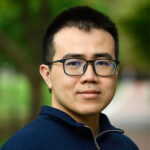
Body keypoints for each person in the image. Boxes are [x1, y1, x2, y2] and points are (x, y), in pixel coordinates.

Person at [1, 6, 139, 150]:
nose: (90, 76)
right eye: (73, 63)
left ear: (116, 72)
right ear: (47, 75)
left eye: (102, 63)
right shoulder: (22, 146)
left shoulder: (126, 146)